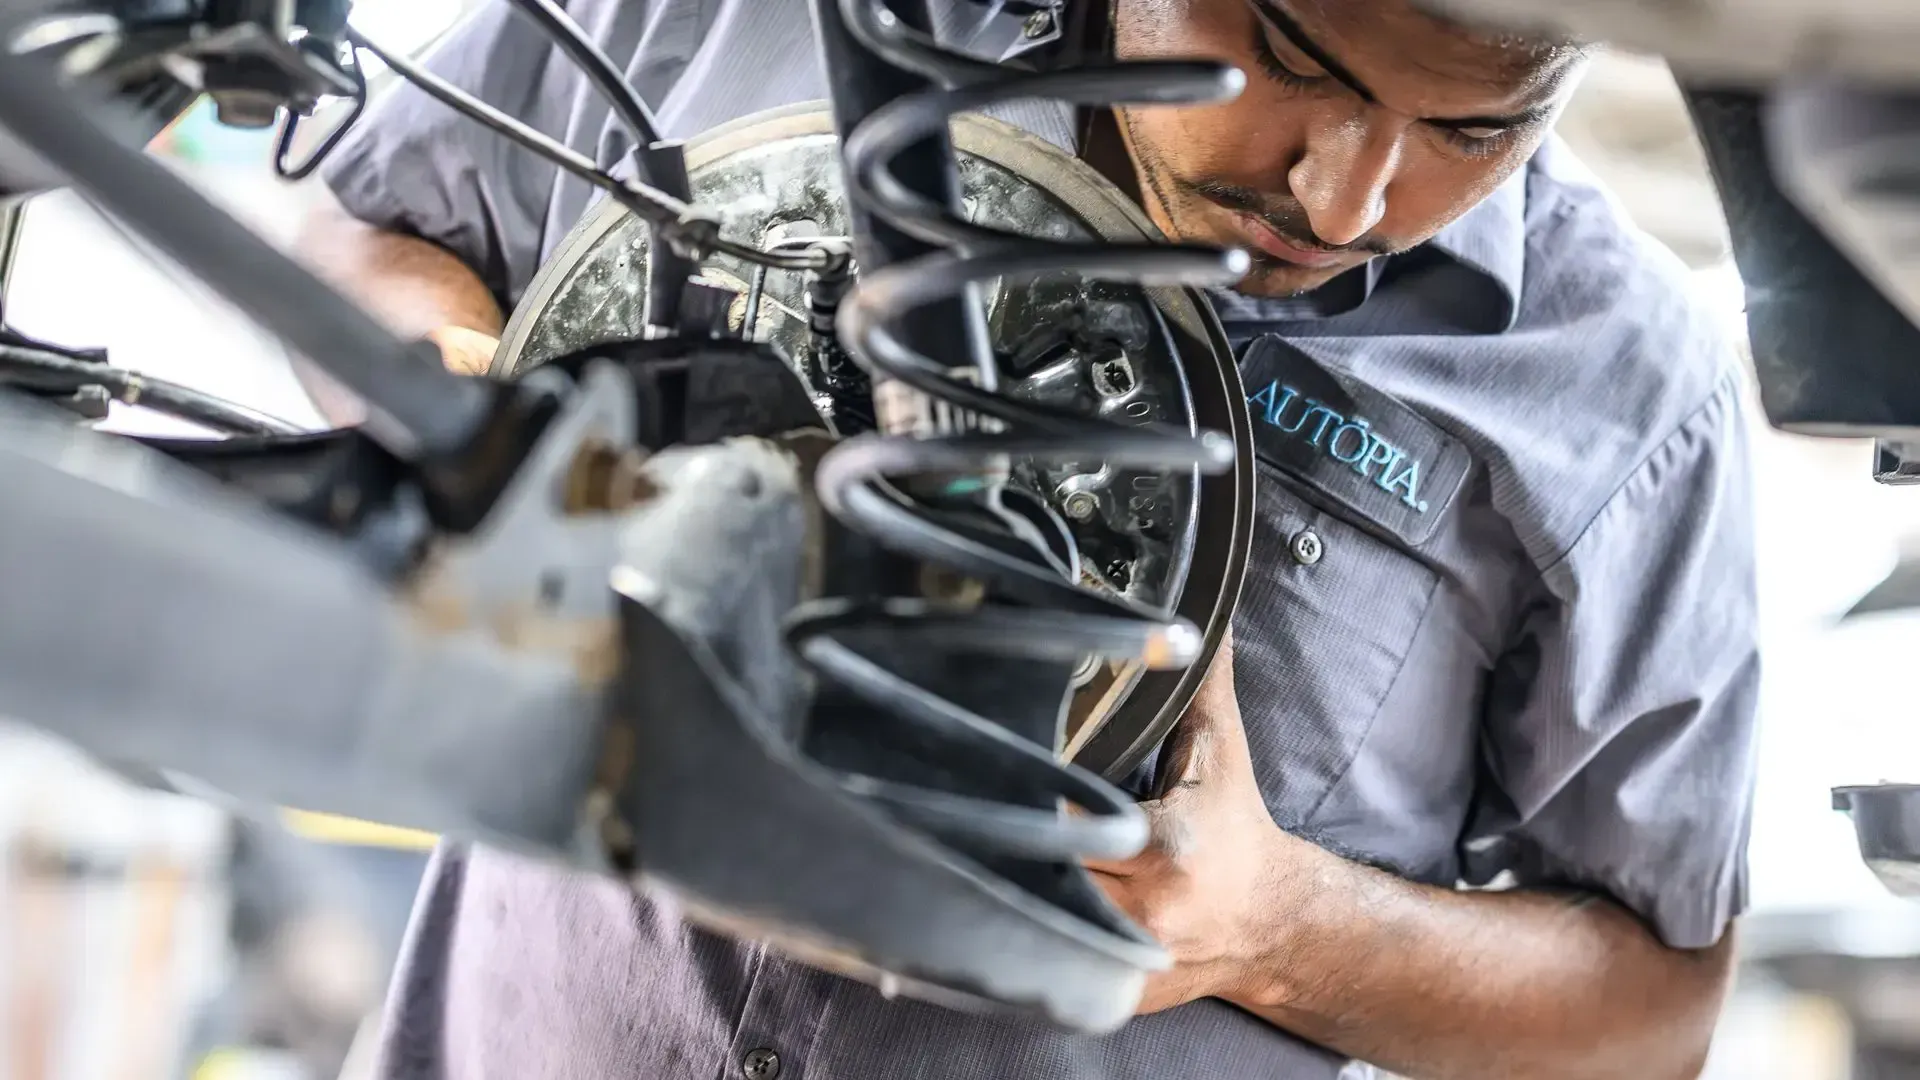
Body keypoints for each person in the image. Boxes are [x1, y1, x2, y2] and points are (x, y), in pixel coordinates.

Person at [300, 1, 1760, 1077]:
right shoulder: (765, 19)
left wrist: (1277, 928)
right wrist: (485, 419)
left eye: (1474, 128)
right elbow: (371, 221)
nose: (1348, 196)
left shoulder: (1620, 392)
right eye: (1297, 56)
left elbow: (1658, 1013)